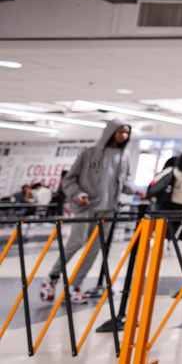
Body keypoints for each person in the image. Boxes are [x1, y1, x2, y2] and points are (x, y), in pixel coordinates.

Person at [40, 119, 138, 304]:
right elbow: (70, 179)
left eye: (127, 132)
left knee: (95, 248)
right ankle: (52, 278)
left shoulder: (124, 156)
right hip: (87, 207)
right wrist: (78, 194)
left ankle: (75, 286)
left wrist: (135, 190)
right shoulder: (90, 153)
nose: (124, 135)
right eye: (120, 131)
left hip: (108, 210)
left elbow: (125, 182)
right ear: (111, 131)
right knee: (76, 242)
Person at [153, 151, 182, 239]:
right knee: (173, 228)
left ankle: (159, 245)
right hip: (180, 205)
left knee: (161, 226)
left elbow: (156, 182)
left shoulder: (171, 170)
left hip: (166, 202)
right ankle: (167, 244)